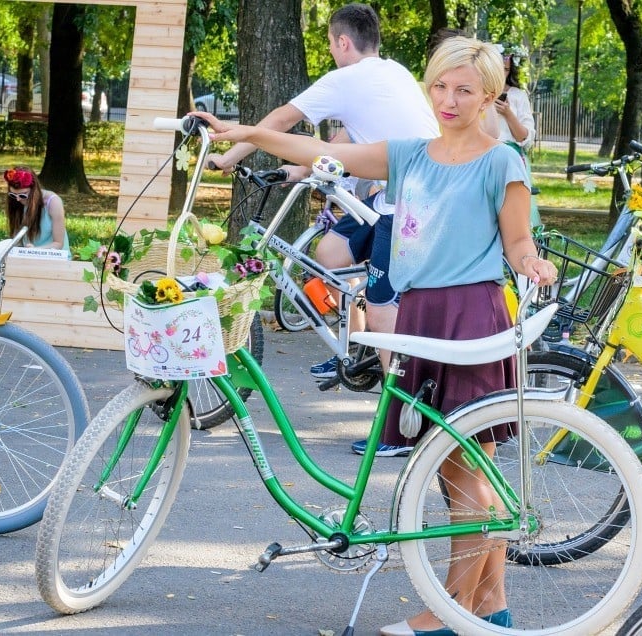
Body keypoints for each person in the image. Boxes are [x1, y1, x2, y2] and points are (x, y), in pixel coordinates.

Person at [193, 35, 558, 636]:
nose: (448, 98)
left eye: (464, 89)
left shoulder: (501, 161)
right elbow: (313, 148)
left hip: (470, 317)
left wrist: (533, 264)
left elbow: (518, 241)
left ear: (488, 95)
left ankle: (446, 613)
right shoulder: (411, 154)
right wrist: (250, 134)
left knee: (469, 469)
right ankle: (492, 606)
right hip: (419, 318)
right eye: (439, 86)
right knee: (447, 473)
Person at [206, 3, 439, 429]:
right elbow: (351, 140)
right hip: (408, 193)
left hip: (408, 202)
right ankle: (358, 348)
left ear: (343, 42)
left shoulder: (345, 79)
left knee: (385, 307)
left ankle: (404, 425)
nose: (332, 53)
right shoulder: (395, 73)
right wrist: (300, 169)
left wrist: (226, 158)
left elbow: (279, 120)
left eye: (332, 44)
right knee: (333, 256)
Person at [494, 42, 539, 227]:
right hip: (483, 155)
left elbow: (523, 137)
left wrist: (507, 113)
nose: (501, 74)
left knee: (513, 212)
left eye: (505, 70)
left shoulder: (518, 96)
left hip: (511, 158)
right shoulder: (477, 93)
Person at [3, 166, 69, 251]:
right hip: (28, 254)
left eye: (23, 195)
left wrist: (35, 250)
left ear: (34, 190)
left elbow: (58, 244)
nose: (18, 199)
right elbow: (17, 240)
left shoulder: (53, 202)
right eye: (13, 195)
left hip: (54, 256)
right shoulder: (16, 202)